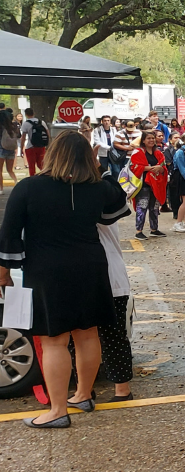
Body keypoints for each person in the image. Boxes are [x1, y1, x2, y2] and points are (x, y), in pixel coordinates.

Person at [0, 132, 131, 428]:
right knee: (87, 334)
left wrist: (5, 270)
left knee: (54, 341)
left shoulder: (29, 187)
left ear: (52, 152)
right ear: (88, 157)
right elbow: (118, 207)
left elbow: (8, 233)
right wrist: (100, 171)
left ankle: (57, 410)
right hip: (92, 266)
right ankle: (83, 394)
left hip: (47, 269)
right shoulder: (96, 188)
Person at [97, 219, 135, 402]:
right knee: (80, 338)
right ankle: (84, 390)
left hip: (110, 275)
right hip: (85, 275)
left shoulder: (103, 192)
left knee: (113, 335)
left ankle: (122, 389)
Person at [129, 130, 169, 240]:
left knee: (154, 207)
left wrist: (160, 169)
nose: (151, 140)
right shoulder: (138, 152)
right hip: (143, 184)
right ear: (143, 140)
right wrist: (150, 168)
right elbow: (134, 167)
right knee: (142, 207)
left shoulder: (158, 153)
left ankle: (154, 229)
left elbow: (164, 167)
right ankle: (139, 231)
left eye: (152, 138)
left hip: (156, 184)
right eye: (148, 138)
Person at [19, 107, 50, 175]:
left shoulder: (26, 124)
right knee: (41, 164)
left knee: (31, 166)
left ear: (26, 114)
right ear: (34, 113)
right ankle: (47, 176)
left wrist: (21, 149)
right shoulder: (42, 122)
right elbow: (48, 134)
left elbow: (23, 138)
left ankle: (32, 179)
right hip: (41, 147)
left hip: (31, 147)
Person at [0, 111, 19, 192]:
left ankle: (1, 189)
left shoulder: (1, 127)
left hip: (1, 149)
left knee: (0, 170)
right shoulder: (13, 126)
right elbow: (19, 135)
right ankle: (16, 183)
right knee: (10, 170)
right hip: (11, 149)